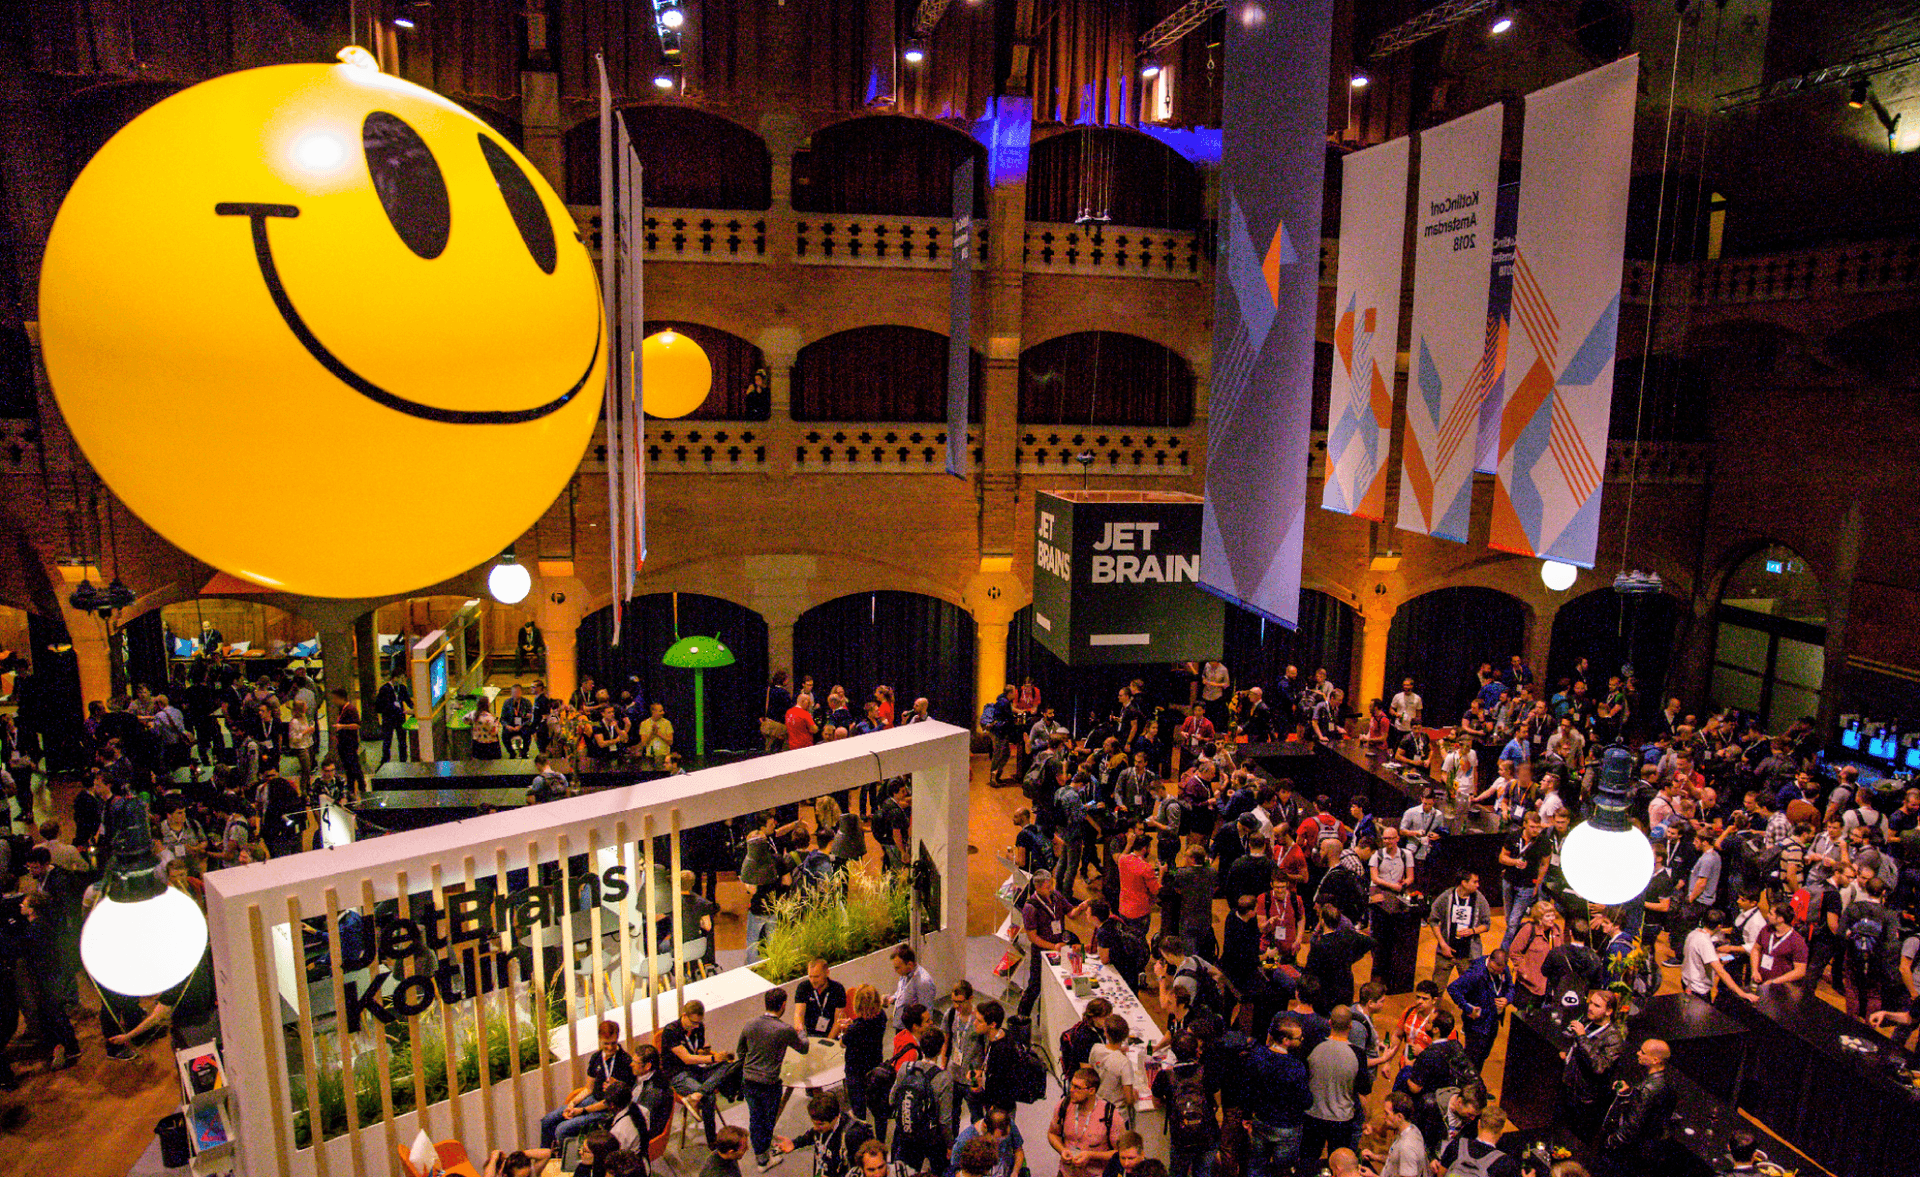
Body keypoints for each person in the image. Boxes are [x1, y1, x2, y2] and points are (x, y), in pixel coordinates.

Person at [738, 988, 809, 1168]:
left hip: (748, 1081)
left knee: (755, 1117)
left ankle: (760, 1151)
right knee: (768, 1119)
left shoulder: (750, 1024)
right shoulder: (785, 1030)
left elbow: (741, 1051)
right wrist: (801, 1031)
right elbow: (803, 1048)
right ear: (783, 1005)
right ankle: (763, 1158)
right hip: (769, 1084)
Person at [541, 1021, 634, 1148]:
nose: (610, 1047)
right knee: (547, 1121)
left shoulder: (625, 1062)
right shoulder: (596, 1057)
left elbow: (610, 1102)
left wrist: (582, 1110)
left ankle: (567, 1160)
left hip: (608, 1109)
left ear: (617, 1038)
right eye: (606, 1043)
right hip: (592, 1099)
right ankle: (546, 1156)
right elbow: (588, 1088)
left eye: (613, 1043)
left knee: (561, 1130)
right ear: (600, 1040)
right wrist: (572, 1103)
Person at [660, 1000, 735, 1147]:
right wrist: (712, 1058)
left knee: (729, 1066)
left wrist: (706, 1053)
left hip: (696, 1069)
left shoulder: (699, 1027)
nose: (695, 1026)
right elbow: (687, 1058)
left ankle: (696, 1095)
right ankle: (712, 1141)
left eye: (698, 1023)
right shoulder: (671, 1031)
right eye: (693, 1022)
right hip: (677, 1074)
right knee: (709, 1097)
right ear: (684, 1015)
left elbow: (696, 1051)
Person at [1557, 989, 1625, 1140]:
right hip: (1569, 1087)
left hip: (1586, 1100)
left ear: (1609, 1011)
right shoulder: (1587, 1022)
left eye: (1597, 1005)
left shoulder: (1614, 1039)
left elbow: (1599, 1067)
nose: (1590, 1008)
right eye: (1590, 1003)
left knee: (1575, 1140)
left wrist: (1581, 1036)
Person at [1600, 1038, 1675, 1175]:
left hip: (1632, 1153)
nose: (1637, 1053)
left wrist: (1610, 1142)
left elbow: (1632, 1127)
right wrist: (1631, 1093)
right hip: (1650, 1150)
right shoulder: (1667, 1083)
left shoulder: (1648, 1089)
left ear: (1655, 1060)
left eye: (1643, 1052)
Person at [1018, 870, 1086, 1018]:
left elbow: (1071, 914)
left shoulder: (1057, 896)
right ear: (1038, 887)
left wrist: (1080, 908)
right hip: (1041, 952)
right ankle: (1022, 1017)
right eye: (1048, 886)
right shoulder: (1030, 908)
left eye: (1052, 884)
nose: (1051, 888)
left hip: (1061, 946)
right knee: (1035, 986)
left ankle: (1051, 1016)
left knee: (1064, 980)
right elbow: (1032, 937)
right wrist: (1053, 947)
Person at [1302, 1005, 1361, 1168]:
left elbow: (1304, 1077)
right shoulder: (1358, 1054)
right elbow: (1363, 1089)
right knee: (1339, 1166)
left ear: (1329, 1023)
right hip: (1342, 1120)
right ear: (1350, 1026)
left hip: (1313, 1115)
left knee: (1308, 1163)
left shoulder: (1313, 1046)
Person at [890, 1027, 956, 1173]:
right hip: (931, 1137)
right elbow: (945, 1119)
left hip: (906, 1131)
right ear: (940, 1050)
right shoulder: (944, 1078)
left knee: (907, 1171)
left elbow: (892, 1098)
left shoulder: (905, 1068)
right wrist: (950, 1145)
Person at [777, 1090, 875, 1177]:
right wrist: (795, 1143)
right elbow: (813, 1134)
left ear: (836, 1118)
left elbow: (861, 1170)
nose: (815, 1128)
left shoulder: (853, 1136)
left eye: (820, 1124)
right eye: (814, 1123)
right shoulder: (823, 1128)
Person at [1448, 948, 1515, 1072]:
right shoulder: (1475, 973)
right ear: (1489, 959)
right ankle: (1466, 1084)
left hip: (1493, 1020)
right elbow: (1453, 988)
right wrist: (1467, 1008)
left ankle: (1475, 1082)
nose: (1495, 973)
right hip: (1476, 1024)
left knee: (1483, 1055)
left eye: (1498, 971)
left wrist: (1507, 999)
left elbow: (1510, 987)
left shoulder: (1503, 969)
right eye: (1492, 970)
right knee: (1471, 1060)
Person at [1049, 1065, 1121, 1177]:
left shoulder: (1110, 1114)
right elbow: (1052, 1134)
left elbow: (1120, 1152)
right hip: (1066, 1173)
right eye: (1072, 1085)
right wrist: (1062, 1150)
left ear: (1091, 1091)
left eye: (1077, 1087)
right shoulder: (1064, 1105)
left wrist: (1091, 1155)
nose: (1071, 1090)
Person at [1428, 871, 1491, 989]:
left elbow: (1486, 924)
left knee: (1469, 991)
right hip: (1446, 953)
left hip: (1468, 956)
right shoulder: (1446, 897)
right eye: (1475, 882)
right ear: (1464, 883)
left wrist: (1473, 931)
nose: (1478, 885)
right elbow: (1433, 920)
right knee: (1436, 989)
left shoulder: (1479, 899)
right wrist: (1442, 944)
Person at [1437, 1105, 1518, 1177]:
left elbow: (1440, 1174)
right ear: (1501, 1132)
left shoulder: (1456, 1145)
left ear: (1478, 1124)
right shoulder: (1505, 1163)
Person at [947, 1107, 1023, 1177]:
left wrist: (1015, 1172)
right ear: (985, 1127)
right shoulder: (963, 1142)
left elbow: (1018, 1150)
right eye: (997, 1139)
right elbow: (956, 1172)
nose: (1000, 1143)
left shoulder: (1006, 1125)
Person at [1366, 1091, 1424, 1177]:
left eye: (1387, 1114)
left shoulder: (1406, 1147)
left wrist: (1372, 1176)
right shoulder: (1412, 1129)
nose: (1384, 1117)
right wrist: (1374, 1157)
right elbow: (1395, 1160)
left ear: (1399, 1117)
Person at [887, 945, 937, 1033]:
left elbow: (926, 1013)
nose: (895, 971)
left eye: (897, 967)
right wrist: (892, 998)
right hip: (902, 1028)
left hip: (913, 1032)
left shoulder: (923, 982)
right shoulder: (905, 974)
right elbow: (902, 992)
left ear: (909, 964)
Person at [795, 958, 847, 1039]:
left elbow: (838, 1020)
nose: (813, 981)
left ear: (827, 973)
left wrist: (828, 1041)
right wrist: (801, 1034)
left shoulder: (838, 989)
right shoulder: (803, 988)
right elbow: (799, 1014)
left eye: (816, 977)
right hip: (810, 1035)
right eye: (810, 977)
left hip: (831, 1035)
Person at [376, 669, 412, 764]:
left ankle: (403, 759)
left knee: (402, 740)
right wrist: (400, 710)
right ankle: (385, 760)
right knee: (387, 740)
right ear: (395, 677)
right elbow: (383, 705)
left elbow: (408, 700)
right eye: (401, 678)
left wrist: (414, 709)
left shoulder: (402, 688)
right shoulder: (385, 689)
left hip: (400, 718)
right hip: (389, 718)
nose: (402, 680)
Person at [500, 684, 535, 758]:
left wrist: (521, 726)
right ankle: (511, 753)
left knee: (527, 733)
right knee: (504, 735)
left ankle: (524, 752)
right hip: (511, 725)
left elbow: (530, 718)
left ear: (521, 692)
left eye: (516, 692)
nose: (515, 694)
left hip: (522, 725)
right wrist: (507, 725)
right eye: (513, 692)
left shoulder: (527, 702)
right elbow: (502, 718)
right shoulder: (507, 703)